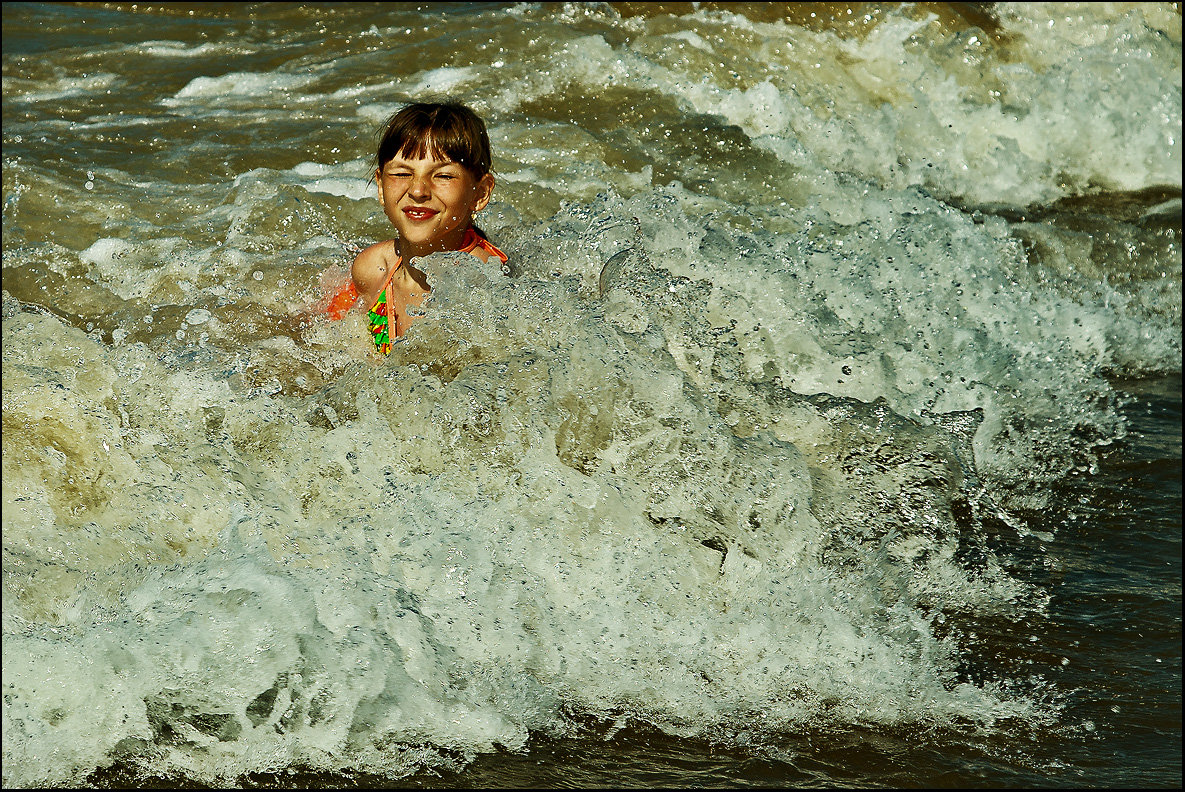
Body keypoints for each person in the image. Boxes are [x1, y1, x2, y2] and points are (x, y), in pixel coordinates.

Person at [325, 101, 507, 354]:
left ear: (480, 193)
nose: (418, 190)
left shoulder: (489, 285)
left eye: (443, 176)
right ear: (380, 186)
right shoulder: (373, 269)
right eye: (401, 174)